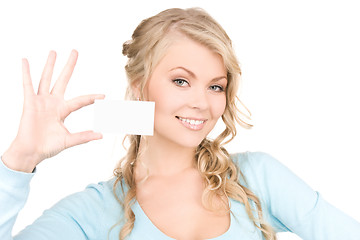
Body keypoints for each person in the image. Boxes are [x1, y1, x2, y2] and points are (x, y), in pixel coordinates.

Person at [0, 7, 359, 240]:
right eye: (181, 81)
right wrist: (17, 162)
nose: (202, 103)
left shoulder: (258, 179)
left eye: (216, 86)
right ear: (139, 87)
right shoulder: (94, 211)